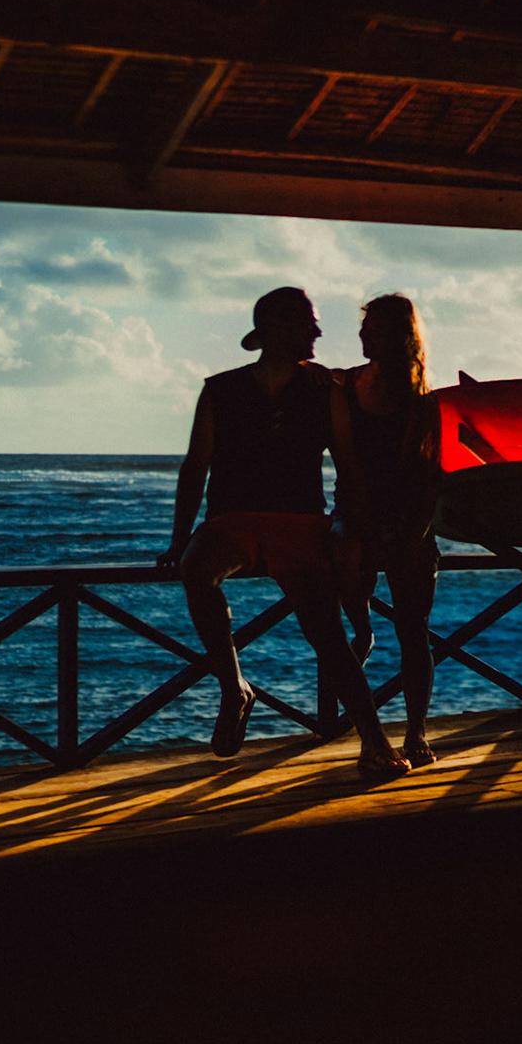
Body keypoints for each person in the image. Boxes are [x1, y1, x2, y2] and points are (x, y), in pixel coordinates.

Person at [158, 287, 409, 777]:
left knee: (328, 636)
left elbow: (347, 465)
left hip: (299, 523)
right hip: (233, 519)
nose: (318, 331)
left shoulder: (325, 390)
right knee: (195, 568)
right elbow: (196, 466)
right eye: (307, 323)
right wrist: (179, 535)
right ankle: (235, 688)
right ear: (277, 327)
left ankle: (374, 742)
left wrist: (355, 532)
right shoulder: (220, 388)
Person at [329, 294, 443, 767]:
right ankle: (362, 628)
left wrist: (413, 531)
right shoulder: (344, 385)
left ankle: (415, 731)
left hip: (408, 518)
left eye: (371, 329)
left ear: (396, 336)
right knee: (344, 615)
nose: (361, 336)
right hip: (355, 514)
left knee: (414, 630)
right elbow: (346, 462)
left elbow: (433, 474)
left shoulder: (423, 398)